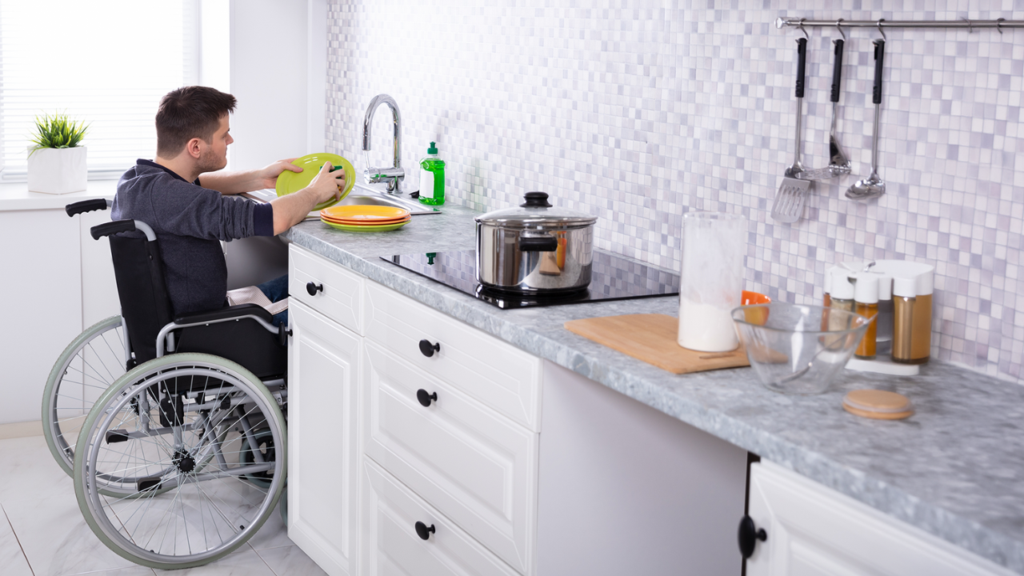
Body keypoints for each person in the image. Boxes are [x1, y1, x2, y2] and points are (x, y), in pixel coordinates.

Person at [112, 86, 342, 327]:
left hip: (186, 320)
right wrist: (316, 190)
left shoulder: (137, 181)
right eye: (224, 135)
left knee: (302, 279)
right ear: (196, 147)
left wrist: (259, 177)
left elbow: (200, 184)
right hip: (208, 330)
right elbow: (273, 219)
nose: (230, 140)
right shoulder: (178, 199)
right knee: (331, 300)